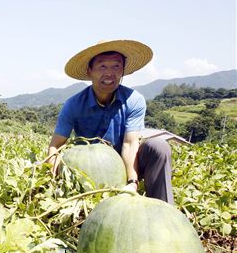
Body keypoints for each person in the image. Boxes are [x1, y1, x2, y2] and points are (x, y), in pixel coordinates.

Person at [46, 40, 174, 204]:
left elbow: (130, 144)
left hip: (128, 162)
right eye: (102, 66)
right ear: (90, 71)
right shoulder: (74, 104)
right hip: (89, 170)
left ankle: (164, 209)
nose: (109, 73)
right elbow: (55, 145)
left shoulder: (134, 100)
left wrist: (132, 182)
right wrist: (56, 179)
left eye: (116, 66)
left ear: (122, 71)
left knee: (159, 147)